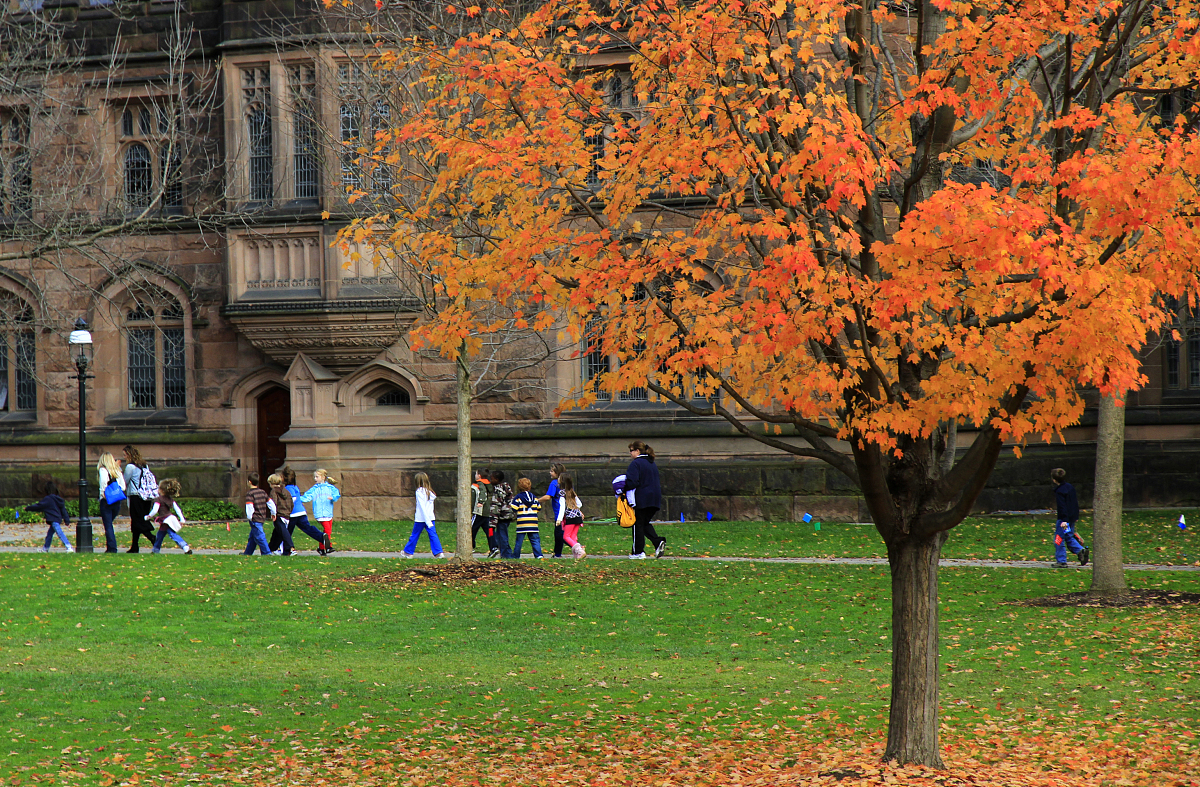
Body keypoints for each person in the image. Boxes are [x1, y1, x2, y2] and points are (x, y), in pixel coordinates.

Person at [625, 440, 665, 559]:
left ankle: (638, 552)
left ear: (637, 451)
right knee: (643, 523)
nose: (630, 453)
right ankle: (658, 542)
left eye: (631, 450)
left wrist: (621, 489)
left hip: (642, 498)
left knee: (637, 524)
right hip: (655, 498)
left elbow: (632, 482)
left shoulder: (636, 464)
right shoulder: (651, 463)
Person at [280, 466, 332, 555]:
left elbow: (293, 499)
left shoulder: (288, 488)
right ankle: (321, 536)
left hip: (292, 514)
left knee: (286, 532)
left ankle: (287, 550)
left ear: (285, 478)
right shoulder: (295, 487)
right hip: (301, 512)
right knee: (307, 528)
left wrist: (283, 508)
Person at [122, 445, 157, 552]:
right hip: (145, 497)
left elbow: (125, 482)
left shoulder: (130, 467)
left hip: (135, 496)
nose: (123, 457)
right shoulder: (144, 465)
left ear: (129, 455)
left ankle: (152, 537)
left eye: (124, 455)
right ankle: (135, 546)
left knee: (138, 521)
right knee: (137, 521)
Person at [1051, 467, 1089, 568]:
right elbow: (1074, 503)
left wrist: (1064, 520)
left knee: (1058, 539)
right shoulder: (1070, 487)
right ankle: (1080, 550)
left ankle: (1061, 560)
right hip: (1071, 518)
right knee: (1068, 536)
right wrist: (1074, 516)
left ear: (1054, 479)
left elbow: (1062, 507)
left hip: (1064, 520)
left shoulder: (1060, 491)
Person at [402, 472, 445, 558]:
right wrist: (429, 520)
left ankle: (408, 552)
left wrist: (427, 521)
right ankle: (438, 552)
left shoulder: (419, 492)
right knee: (433, 534)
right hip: (430, 517)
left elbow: (422, 507)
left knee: (415, 534)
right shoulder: (429, 492)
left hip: (421, 519)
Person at [299, 469, 341, 553]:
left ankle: (321, 548)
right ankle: (328, 546)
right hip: (320, 514)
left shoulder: (330, 487)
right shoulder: (314, 489)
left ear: (323, 477)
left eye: (317, 476)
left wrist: (333, 498)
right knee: (327, 530)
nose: (315, 478)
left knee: (327, 531)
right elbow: (307, 497)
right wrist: (297, 499)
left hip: (328, 513)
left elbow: (336, 494)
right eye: (314, 477)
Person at [26, 480, 73, 553]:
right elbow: (63, 510)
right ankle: (45, 548)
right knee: (50, 534)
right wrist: (67, 520)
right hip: (57, 519)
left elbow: (39, 506)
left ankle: (69, 547)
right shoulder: (58, 499)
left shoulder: (48, 499)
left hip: (53, 519)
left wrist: (28, 508)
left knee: (59, 533)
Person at [149, 478, 192, 555]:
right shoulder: (170, 499)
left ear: (161, 490)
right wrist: (182, 519)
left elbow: (155, 510)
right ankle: (155, 550)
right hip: (170, 519)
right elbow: (178, 509)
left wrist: (148, 516)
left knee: (172, 535)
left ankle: (185, 547)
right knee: (160, 535)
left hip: (165, 520)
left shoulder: (158, 499)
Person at [96, 452, 126, 553]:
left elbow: (103, 484)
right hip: (116, 501)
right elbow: (123, 486)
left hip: (106, 501)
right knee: (109, 524)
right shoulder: (117, 470)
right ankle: (111, 546)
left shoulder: (103, 470)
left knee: (108, 525)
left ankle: (112, 547)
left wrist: (103, 495)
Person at [243, 471, 276, 556]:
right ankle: (248, 553)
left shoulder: (250, 494)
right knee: (253, 536)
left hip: (255, 518)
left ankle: (267, 552)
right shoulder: (262, 492)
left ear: (249, 482)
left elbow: (249, 506)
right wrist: (273, 512)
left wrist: (250, 517)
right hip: (262, 517)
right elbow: (270, 503)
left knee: (260, 536)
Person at [537, 463, 566, 557]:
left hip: (559, 514)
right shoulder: (567, 483)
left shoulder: (554, 483)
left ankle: (577, 548)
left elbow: (548, 496)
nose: (550, 473)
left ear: (557, 473)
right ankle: (557, 554)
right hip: (569, 512)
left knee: (560, 535)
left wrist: (536, 500)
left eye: (552, 471)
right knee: (563, 533)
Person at [511, 477, 543, 559]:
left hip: (522, 523)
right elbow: (539, 508)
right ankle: (539, 555)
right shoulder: (534, 497)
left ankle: (516, 556)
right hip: (533, 523)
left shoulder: (518, 497)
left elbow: (514, 508)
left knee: (519, 541)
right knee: (535, 540)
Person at [556, 473, 586, 559]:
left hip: (570, 518)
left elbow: (562, 507)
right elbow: (579, 504)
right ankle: (577, 555)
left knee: (566, 536)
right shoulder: (572, 492)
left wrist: (559, 519)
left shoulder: (562, 493)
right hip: (578, 517)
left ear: (561, 481)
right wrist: (576, 510)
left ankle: (580, 550)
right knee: (573, 537)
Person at [266, 474, 295, 557]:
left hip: (278, 514)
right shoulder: (286, 491)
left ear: (271, 483)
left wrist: (273, 514)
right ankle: (271, 548)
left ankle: (290, 548)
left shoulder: (273, 491)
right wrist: (289, 511)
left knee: (283, 533)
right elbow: (291, 503)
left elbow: (273, 503)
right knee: (277, 533)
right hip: (286, 515)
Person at [489, 469, 514, 559]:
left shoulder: (499, 490)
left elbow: (496, 505)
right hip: (507, 514)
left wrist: (492, 521)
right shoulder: (506, 487)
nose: (490, 480)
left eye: (492, 479)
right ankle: (506, 553)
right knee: (502, 535)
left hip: (502, 516)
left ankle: (506, 554)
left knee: (502, 536)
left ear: (496, 479)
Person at [470, 468, 494, 555]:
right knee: (489, 530)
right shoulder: (489, 484)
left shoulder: (478, 484)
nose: (475, 475)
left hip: (479, 512)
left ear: (479, 475)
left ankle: (470, 546)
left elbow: (482, 493)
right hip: (487, 512)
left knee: (471, 529)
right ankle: (494, 546)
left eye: (476, 473)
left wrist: (480, 501)